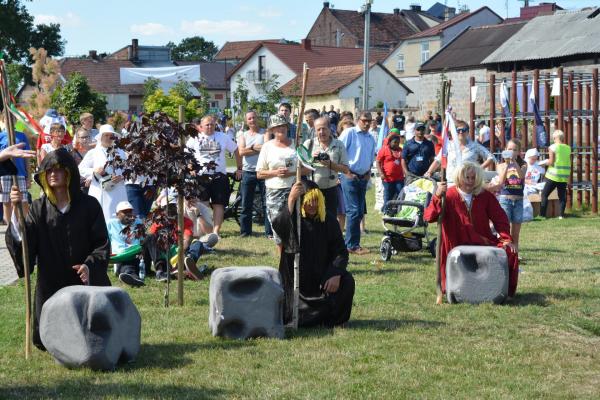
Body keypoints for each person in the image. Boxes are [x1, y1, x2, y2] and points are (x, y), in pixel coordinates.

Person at [6, 148, 111, 349]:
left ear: (69, 173)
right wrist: (18, 213)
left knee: (88, 334)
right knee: (47, 339)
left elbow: (102, 244)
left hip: (81, 280)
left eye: (59, 169)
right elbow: (27, 242)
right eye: (49, 171)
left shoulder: (89, 206)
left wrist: (89, 267)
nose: (53, 174)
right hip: (50, 282)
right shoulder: (38, 208)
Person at [424, 162, 519, 301]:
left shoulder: (484, 195)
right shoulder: (448, 195)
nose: (469, 181)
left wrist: (506, 238)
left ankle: (501, 291)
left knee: (509, 251)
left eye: (473, 178)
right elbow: (429, 217)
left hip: (482, 241)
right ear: (459, 177)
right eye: (466, 177)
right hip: (455, 242)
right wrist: (437, 196)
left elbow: (500, 218)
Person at [271, 180, 355, 327]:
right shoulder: (294, 220)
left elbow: (340, 251)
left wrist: (335, 273)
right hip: (297, 282)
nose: (313, 205)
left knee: (347, 280)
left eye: (316, 200)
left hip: (321, 280)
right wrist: (291, 199)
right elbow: (279, 226)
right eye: (308, 201)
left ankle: (334, 321)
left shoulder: (328, 220)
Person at [186, 115, 242, 236]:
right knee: (203, 204)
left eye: (212, 124)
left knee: (219, 204)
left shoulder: (223, 137)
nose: (210, 127)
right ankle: (206, 231)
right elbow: (187, 155)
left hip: (219, 176)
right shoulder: (194, 138)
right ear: (201, 127)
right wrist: (190, 168)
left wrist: (239, 168)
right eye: (207, 125)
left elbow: (236, 150)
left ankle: (216, 232)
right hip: (201, 176)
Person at [257, 115, 301, 252]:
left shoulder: (296, 144)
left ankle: (296, 256)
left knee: (295, 223)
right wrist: (276, 172)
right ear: (272, 130)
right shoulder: (267, 147)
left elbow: (307, 168)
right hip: (274, 191)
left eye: (282, 126)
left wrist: (292, 173)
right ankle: (282, 257)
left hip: (294, 188)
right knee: (278, 225)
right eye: (276, 127)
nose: (280, 129)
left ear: (287, 127)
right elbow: (259, 173)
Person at [338, 111, 376, 255]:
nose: (367, 123)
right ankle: (352, 245)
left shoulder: (370, 138)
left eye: (369, 121)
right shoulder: (350, 133)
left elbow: (371, 157)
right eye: (364, 120)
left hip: (362, 178)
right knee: (353, 211)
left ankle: (352, 243)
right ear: (357, 120)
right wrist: (346, 172)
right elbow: (338, 151)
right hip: (349, 177)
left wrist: (367, 173)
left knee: (359, 212)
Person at [78, 124, 128, 222]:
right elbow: (80, 169)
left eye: (111, 135)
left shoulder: (121, 153)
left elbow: (128, 169)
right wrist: (94, 171)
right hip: (100, 190)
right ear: (101, 137)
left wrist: (122, 176)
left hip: (118, 191)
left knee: (118, 219)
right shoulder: (93, 153)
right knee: (101, 218)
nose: (109, 138)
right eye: (106, 135)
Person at [303, 117, 349, 217]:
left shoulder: (339, 145)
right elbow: (300, 169)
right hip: (312, 191)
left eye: (324, 128)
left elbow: (345, 169)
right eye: (318, 129)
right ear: (314, 130)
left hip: (331, 190)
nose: (321, 132)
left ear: (330, 129)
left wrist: (330, 165)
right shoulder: (308, 144)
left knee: (330, 220)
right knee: (313, 221)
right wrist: (311, 160)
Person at [424, 120, 495, 184]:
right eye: (458, 130)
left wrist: (479, 168)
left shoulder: (475, 146)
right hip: (451, 182)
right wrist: (429, 172)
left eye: (464, 130)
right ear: (454, 132)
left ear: (467, 132)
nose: (461, 132)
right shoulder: (448, 146)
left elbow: (491, 157)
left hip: (469, 183)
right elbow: (438, 160)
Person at [238, 111, 270, 237]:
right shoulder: (243, 135)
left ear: (258, 118)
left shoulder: (265, 132)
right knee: (246, 203)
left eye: (254, 117)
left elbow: (266, 147)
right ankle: (245, 232)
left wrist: (249, 149)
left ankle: (269, 232)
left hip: (263, 171)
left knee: (266, 203)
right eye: (250, 118)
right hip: (248, 172)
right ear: (247, 121)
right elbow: (241, 152)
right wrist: (253, 148)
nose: (252, 120)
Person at [493, 139, 527, 252]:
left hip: (518, 200)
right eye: (510, 149)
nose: (512, 152)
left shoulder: (523, 164)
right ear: (505, 150)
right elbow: (501, 181)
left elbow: (521, 176)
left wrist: (514, 162)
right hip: (505, 199)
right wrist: (507, 164)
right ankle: (505, 252)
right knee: (504, 229)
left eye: (515, 150)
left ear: (519, 152)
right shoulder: (501, 165)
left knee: (516, 231)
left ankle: (515, 254)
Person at [106, 201, 145, 287]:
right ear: (117, 214)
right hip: (121, 255)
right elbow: (105, 240)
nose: (128, 214)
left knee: (149, 240)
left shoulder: (137, 222)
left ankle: (130, 275)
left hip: (136, 252)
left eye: (130, 211)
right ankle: (131, 276)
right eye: (125, 212)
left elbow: (143, 240)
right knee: (127, 261)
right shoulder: (111, 223)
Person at [0, 128, 32, 225]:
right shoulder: (1, 136)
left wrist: (29, 176)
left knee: (24, 199)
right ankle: (9, 226)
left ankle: (26, 225)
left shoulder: (22, 136)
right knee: (6, 200)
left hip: (20, 172)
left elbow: (27, 158)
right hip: (4, 173)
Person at [541, 129, 570, 219]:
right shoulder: (568, 148)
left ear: (554, 138)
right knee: (562, 196)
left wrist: (543, 162)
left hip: (553, 175)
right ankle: (561, 215)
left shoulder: (552, 147)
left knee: (544, 194)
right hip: (563, 176)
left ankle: (542, 215)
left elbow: (551, 162)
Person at [376, 132, 404, 214]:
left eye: (398, 143)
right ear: (390, 142)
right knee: (388, 195)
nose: (396, 144)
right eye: (395, 142)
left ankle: (398, 211)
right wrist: (381, 173)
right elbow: (378, 162)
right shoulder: (384, 149)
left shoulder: (401, 150)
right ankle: (386, 211)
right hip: (387, 178)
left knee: (400, 194)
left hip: (399, 178)